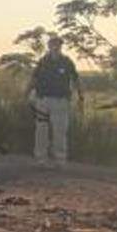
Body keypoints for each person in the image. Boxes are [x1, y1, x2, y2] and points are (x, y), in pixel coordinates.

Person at [27, 35, 84, 167]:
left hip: (61, 101)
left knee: (60, 131)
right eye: (53, 44)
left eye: (58, 44)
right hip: (43, 100)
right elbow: (34, 79)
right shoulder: (43, 61)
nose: (55, 46)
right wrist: (26, 93)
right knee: (41, 131)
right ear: (49, 46)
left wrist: (81, 96)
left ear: (61, 46)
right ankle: (41, 159)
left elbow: (76, 79)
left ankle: (60, 160)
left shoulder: (67, 62)